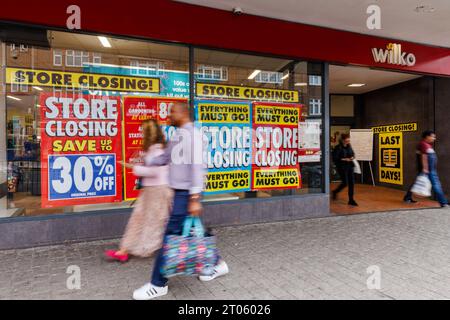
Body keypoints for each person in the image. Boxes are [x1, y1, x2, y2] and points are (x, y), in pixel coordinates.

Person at [133, 102, 229, 301]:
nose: (169, 116)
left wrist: (194, 198)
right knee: (195, 231)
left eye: (172, 112)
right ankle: (218, 264)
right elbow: (166, 157)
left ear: (183, 114)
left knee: (170, 236)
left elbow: (196, 167)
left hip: (186, 194)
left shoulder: (192, 135)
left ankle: (158, 284)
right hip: (179, 193)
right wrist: (147, 161)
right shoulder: (179, 135)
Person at [105, 119, 172, 262]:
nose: (141, 133)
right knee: (141, 218)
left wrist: (130, 167)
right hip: (151, 190)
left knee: (151, 220)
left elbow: (153, 172)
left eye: (143, 131)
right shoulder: (156, 149)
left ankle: (144, 248)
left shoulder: (158, 150)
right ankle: (125, 249)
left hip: (157, 190)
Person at [404, 130, 449, 208]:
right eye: (433, 136)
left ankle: (407, 197)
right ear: (427, 136)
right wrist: (425, 169)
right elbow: (424, 157)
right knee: (436, 185)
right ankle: (443, 202)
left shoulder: (426, 144)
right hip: (429, 170)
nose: (434, 138)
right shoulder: (423, 144)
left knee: (417, 183)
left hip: (428, 170)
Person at [332, 134, 358, 206]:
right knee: (345, 183)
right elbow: (335, 158)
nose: (348, 141)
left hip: (350, 166)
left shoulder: (349, 146)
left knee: (352, 183)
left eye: (349, 140)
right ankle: (335, 192)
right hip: (342, 167)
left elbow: (353, 154)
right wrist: (344, 159)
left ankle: (351, 199)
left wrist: (352, 157)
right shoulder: (338, 147)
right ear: (343, 140)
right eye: (347, 140)